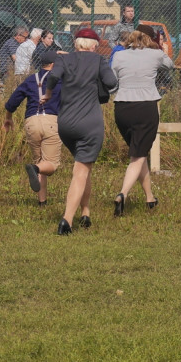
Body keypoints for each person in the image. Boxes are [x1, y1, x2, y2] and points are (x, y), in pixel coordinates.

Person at [43, 27, 118, 235]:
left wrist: (48, 94)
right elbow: (111, 82)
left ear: (76, 44)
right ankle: (67, 220)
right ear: (94, 46)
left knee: (84, 167)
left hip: (65, 124)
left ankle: (86, 212)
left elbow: (52, 78)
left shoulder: (64, 60)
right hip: (89, 124)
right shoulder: (99, 61)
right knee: (80, 171)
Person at [111, 27, 175, 217]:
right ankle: (122, 194)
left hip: (122, 108)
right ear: (152, 39)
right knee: (137, 156)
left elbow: (112, 81)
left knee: (139, 152)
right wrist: (163, 48)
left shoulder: (119, 56)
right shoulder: (155, 54)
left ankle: (149, 198)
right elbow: (171, 65)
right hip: (145, 107)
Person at [3, 50, 61, 206]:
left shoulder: (30, 79)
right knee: (51, 165)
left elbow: (13, 101)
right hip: (50, 121)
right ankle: (34, 168)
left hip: (31, 122)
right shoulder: (60, 80)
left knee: (40, 161)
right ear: (54, 65)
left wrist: (8, 117)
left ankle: (42, 202)